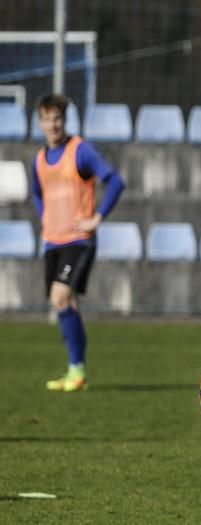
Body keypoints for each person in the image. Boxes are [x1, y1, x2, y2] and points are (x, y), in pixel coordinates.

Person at [31, 93, 126, 392]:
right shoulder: (39, 159)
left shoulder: (80, 150)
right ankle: (77, 371)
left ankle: (77, 369)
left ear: (65, 120)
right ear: (40, 122)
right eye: (47, 119)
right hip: (53, 241)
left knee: (61, 297)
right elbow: (36, 192)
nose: (53, 125)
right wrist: (44, 218)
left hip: (79, 240)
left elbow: (115, 181)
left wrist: (97, 218)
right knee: (64, 302)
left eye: (57, 118)